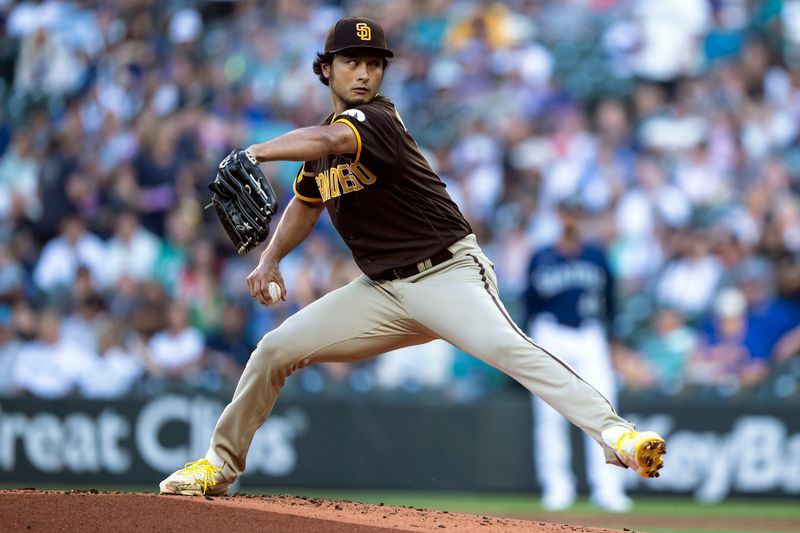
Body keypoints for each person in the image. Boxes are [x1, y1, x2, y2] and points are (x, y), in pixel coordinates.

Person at [159, 17, 666, 496]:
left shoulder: (375, 119)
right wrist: (270, 258)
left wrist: (257, 151)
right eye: (351, 61)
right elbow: (306, 204)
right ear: (325, 69)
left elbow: (332, 137)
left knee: (512, 350)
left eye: (374, 62)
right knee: (273, 349)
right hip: (381, 291)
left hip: (447, 274)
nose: (364, 72)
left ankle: (618, 437)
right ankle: (220, 465)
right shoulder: (319, 148)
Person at [523, 199, 632, 512]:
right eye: (567, 212)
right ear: (558, 215)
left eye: (577, 212)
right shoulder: (541, 255)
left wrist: (613, 340)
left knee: (605, 410)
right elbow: (529, 306)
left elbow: (611, 301)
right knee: (549, 414)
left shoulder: (596, 254)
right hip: (551, 334)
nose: (571, 218)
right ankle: (557, 487)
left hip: (589, 334)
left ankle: (609, 488)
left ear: (582, 217)